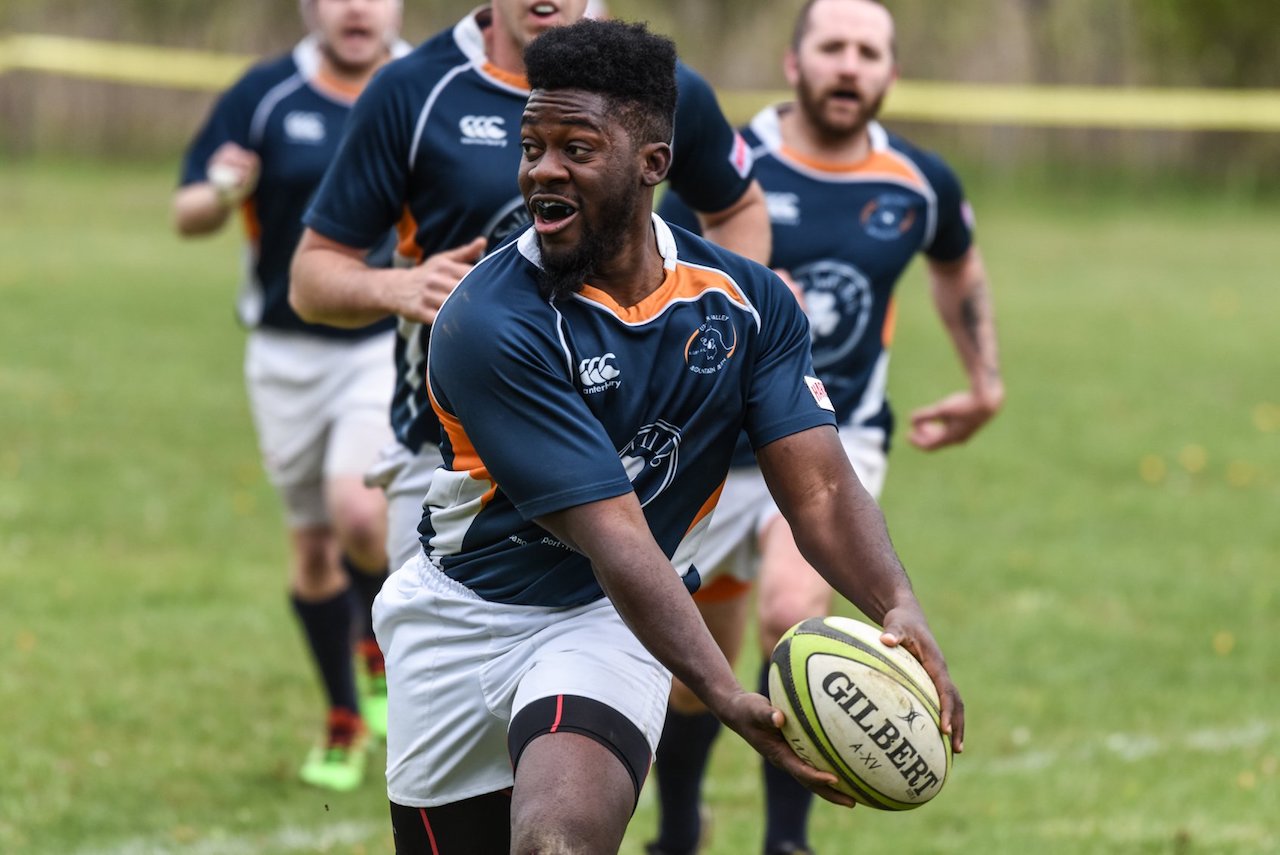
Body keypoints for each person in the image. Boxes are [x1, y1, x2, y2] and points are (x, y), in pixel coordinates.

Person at [371, 18, 964, 854]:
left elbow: (822, 488)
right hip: (460, 617)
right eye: (532, 145)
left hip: (606, 616)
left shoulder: (748, 304)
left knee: (556, 842)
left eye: (577, 147)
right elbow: (613, 530)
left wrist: (898, 605)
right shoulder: (488, 321)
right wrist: (725, 692)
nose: (543, 168)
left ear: (653, 165)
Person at [649, 1, 1003, 852]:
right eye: (833, 47)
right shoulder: (727, 166)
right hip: (713, 444)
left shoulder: (919, 182)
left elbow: (958, 266)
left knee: (791, 610)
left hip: (836, 440)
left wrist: (983, 381)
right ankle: (678, 832)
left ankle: (786, 838)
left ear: (891, 71)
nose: (851, 65)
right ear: (793, 60)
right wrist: (748, 307)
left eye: (869, 52)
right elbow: (657, 285)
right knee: (695, 669)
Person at [288, 0, 771, 580]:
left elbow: (738, 206)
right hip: (448, 462)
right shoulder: (412, 89)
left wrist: (716, 323)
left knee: (640, 660)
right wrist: (398, 286)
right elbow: (310, 279)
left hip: (625, 454)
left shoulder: (657, 87)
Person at [172, 0, 408, 792]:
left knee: (360, 514)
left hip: (384, 341)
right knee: (312, 547)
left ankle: (379, 649)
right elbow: (188, 216)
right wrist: (221, 189)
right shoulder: (265, 93)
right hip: (282, 353)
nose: (356, 7)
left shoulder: (423, 86)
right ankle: (345, 714)